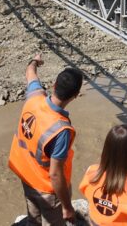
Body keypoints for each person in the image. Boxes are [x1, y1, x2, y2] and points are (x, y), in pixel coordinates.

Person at [9, 53, 84, 225]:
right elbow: (55, 174)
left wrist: (35, 60)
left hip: (26, 175)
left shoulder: (35, 96)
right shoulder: (61, 130)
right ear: (76, 95)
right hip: (46, 188)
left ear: (54, 84)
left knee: (33, 219)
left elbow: (30, 72)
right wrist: (66, 207)